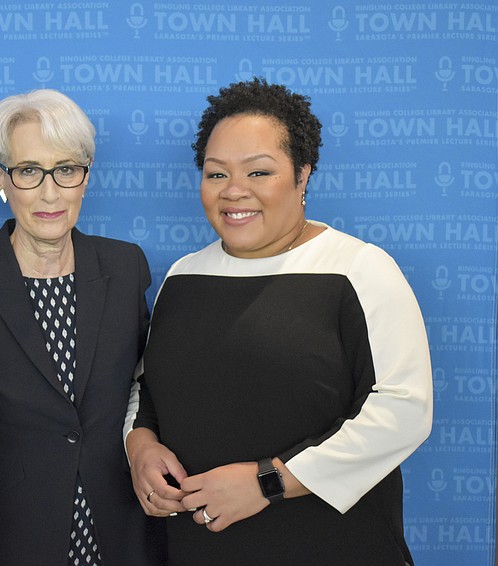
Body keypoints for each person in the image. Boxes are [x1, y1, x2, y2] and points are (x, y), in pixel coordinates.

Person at [125, 78, 433, 565]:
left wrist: (267, 483)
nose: (234, 192)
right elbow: (148, 387)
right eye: (216, 174)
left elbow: (401, 411)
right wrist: (138, 445)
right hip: (197, 548)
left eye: (260, 172)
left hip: (333, 548)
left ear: (303, 173)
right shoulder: (183, 275)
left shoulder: (358, 270)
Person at [0, 89, 164, 566]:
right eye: (29, 171)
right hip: (14, 531)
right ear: (0, 177)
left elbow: (148, 385)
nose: (50, 192)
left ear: (85, 177)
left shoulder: (125, 267)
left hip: (123, 522)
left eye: (66, 170)